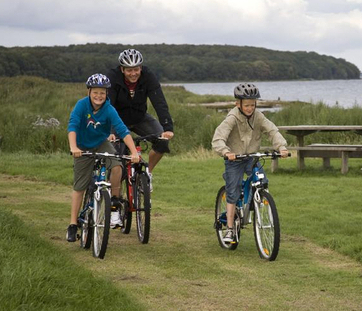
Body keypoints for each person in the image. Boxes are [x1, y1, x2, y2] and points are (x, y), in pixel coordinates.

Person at [66, 73, 139, 242]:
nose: (99, 96)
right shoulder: (81, 105)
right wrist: (73, 146)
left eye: (102, 93)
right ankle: (72, 224)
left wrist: (133, 152)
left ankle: (113, 202)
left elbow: (122, 130)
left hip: (101, 143)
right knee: (80, 185)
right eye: (95, 92)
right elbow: (73, 125)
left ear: (107, 94)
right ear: (89, 92)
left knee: (117, 166)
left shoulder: (109, 109)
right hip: (82, 145)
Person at [212, 82, 289, 243]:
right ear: (237, 103)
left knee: (262, 181)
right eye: (246, 105)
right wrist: (226, 152)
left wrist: (281, 147)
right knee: (233, 191)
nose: (250, 108)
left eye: (253, 105)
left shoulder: (258, 116)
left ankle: (254, 201)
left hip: (252, 157)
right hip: (235, 159)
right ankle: (230, 229)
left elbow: (272, 130)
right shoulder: (232, 118)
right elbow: (218, 137)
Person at [107, 49, 174, 190]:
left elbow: (159, 102)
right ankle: (115, 201)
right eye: (129, 70)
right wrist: (108, 130)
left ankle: (148, 173)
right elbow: (108, 106)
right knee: (116, 155)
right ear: (122, 69)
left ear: (141, 68)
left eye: (136, 69)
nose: (133, 74)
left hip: (140, 117)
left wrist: (167, 128)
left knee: (163, 142)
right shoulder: (113, 78)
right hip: (117, 120)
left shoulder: (148, 76)